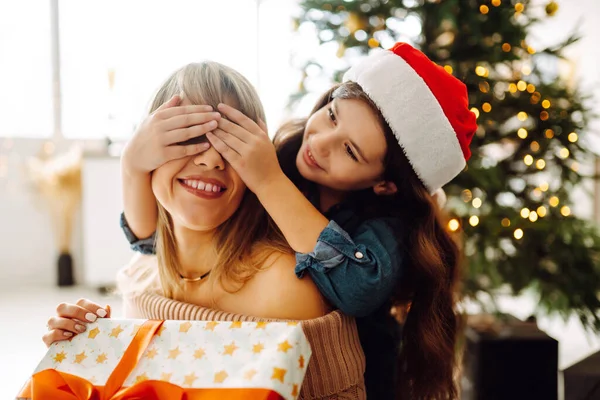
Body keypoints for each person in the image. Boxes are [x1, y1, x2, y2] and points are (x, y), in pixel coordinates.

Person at [118, 43, 477, 399]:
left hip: (347, 377)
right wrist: (133, 167)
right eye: (333, 116)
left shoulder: (389, 225)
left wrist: (268, 181)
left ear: (385, 184)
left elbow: (358, 287)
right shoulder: (285, 156)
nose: (321, 143)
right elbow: (151, 241)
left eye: (350, 151)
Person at [43, 61, 328, 348]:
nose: (211, 159)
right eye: (189, 135)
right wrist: (86, 353)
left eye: (231, 143)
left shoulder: (284, 288)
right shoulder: (140, 271)